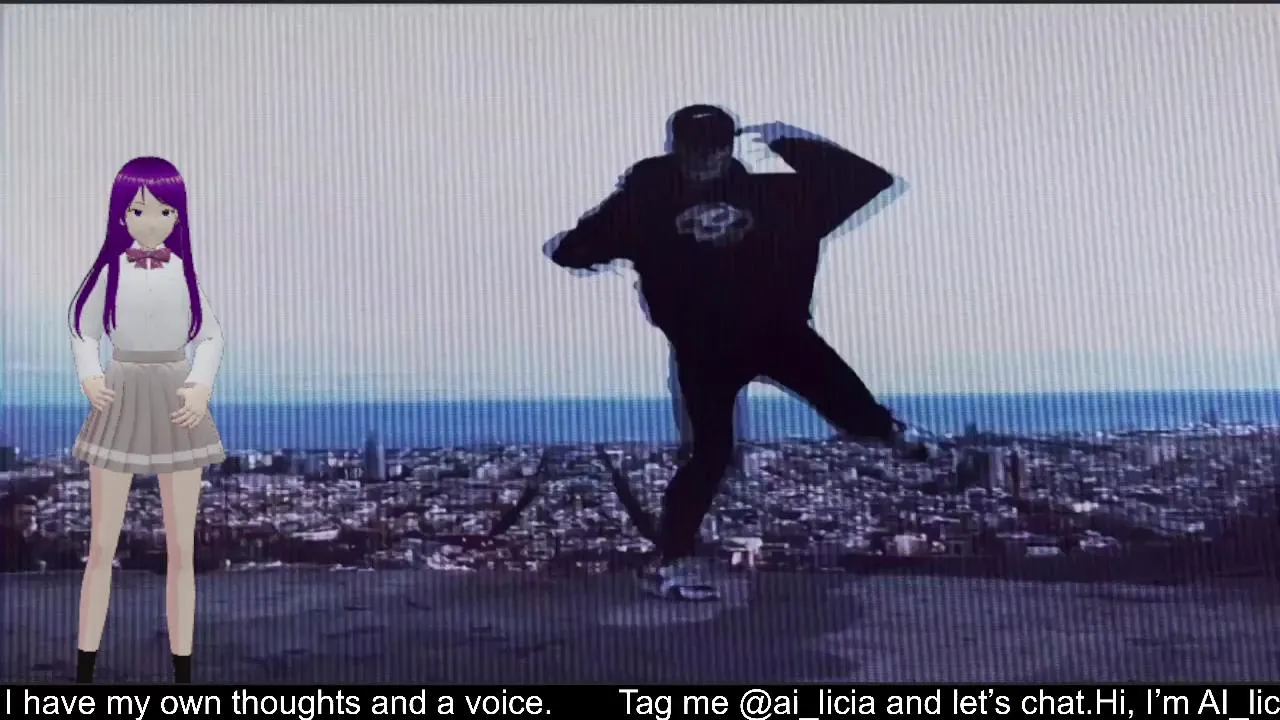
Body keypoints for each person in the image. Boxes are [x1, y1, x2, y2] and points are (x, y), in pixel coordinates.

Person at [544, 104, 933, 601]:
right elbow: (573, 250)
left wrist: (783, 139)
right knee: (710, 455)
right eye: (695, 149)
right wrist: (620, 223)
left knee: (852, 409)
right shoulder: (646, 202)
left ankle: (891, 432)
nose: (704, 159)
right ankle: (668, 562)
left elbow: (867, 180)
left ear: (729, 148)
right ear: (677, 149)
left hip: (779, 336)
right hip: (708, 349)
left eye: (714, 148)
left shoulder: (778, 196)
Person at [67, 156, 227, 682]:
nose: (152, 221)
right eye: (139, 210)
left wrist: (200, 385)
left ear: (178, 216)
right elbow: (83, 328)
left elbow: (211, 336)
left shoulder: (186, 273)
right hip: (121, 390)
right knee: (101, 545)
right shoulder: (110, 271)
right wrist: (90, 374)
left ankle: (183, 673)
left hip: (177, 393)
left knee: (181, 549)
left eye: (164, 211)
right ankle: (85, 670)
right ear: (121, 215)